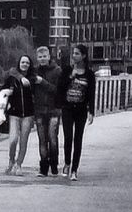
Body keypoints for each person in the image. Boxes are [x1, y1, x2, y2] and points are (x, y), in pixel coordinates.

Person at [60, 44, 96, 180]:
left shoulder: (89, 74)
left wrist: (91, 112)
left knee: (78, 139)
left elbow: (91, 94)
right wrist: (70, 77)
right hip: (68, 108)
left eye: (76, 53)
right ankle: (67, 163)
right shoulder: (67, 70)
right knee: (68, 137)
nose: (74, 56)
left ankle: (74, 169)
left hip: (81, 110)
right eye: (73, 53)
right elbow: (61, 87)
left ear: (83, 56)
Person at [1, 54, 37, 175]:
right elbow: (2, 92)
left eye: (27, 63)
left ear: (30, 65)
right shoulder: (12, 78)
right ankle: (11, 160)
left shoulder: (33, 78)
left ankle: (19, 164)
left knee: (23, 141)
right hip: (14, 113)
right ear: (19, 64)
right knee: (13, 139)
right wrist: (8, 92)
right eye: (23, 62)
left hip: (28, 114)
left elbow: (37, 93)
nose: (25, 64)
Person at [32, 46, 63, 177]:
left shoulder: (57, 71)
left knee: (53, 139)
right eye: (40, 57)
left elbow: (58, 90)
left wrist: (42, 82)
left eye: (45, 56)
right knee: (42, 140)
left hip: (53, 110)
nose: (42, 59)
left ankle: (54, 165)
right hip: (39, 110)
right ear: (37, 58)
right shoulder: (34, 72)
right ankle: (43, 167)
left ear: (49, 57)